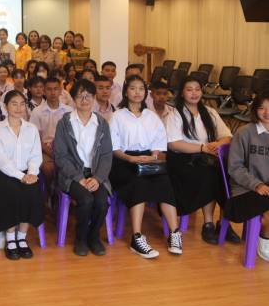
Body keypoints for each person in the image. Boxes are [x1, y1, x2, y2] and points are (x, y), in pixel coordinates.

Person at [109, 75, 182, 258]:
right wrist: (130, 159)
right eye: (133, 88)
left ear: (146, 92)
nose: (137, 92)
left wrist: (153, 156)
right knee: (139, 183)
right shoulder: (117, 116)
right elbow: (114, 148)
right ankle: (136, 237)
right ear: (126, 92)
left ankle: (174, 233)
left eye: (141, 89)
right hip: (123, 161)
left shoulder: (151, 116)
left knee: (165, 182)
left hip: (148, 159)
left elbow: (158, 143)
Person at [166, 76, 238, 245]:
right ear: (182, 93)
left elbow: (227, 136)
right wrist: (202, 148)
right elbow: (174, 144)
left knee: (229, 175)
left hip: (207, 157)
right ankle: (208, 223)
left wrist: (217, 144)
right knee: (210, 175)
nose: (194, 93)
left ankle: (224, 222)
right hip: (182, 161)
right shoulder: (175, 114)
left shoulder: (210, 112)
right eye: (189, 89)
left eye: (197, 89)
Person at [53, 79, 112, 257]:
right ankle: (81, 238)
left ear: (94, 98)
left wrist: (98, 178)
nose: (84, 100)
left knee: (101, 202)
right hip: (72, 175)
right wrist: (78, 177)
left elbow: (106, 155)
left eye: (88, 96)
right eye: (80, 96)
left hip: (95, 174)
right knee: (86, 200)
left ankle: (94, 236)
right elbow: (61, 156)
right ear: (73, 99)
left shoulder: (102, 124)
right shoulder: (64, 123)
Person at [0, 90, 44, 260]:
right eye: (14, 104)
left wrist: (31, 173)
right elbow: (1, 160)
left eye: (22, 104)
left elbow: (36, 155)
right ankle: (10, 238)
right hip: (2, 173)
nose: (18, 108)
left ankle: (22, 237)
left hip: (27, 172)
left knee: (31, 192)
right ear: (6, 106)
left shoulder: (31, 129)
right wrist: (21, 176)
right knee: (10, 191)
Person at [225, 91, 269, 259]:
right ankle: (265, 240)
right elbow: (235, 168)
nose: (267, 113)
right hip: (244, 191)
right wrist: (256, 184)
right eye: (262, 108)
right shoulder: (244, 133)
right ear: (255, 110)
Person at [30, 77, 72, 190]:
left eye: (56, 89)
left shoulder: (69, 111)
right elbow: (36, 140)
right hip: (45, 149)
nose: (53, 92)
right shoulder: (37, 112)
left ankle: (65, 191)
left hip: (65, 149)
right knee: (49, 168)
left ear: (61, 90)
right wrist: (52, 153)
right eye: (49, 89)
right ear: (44, 91)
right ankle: (50, 192)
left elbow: (72, 136)